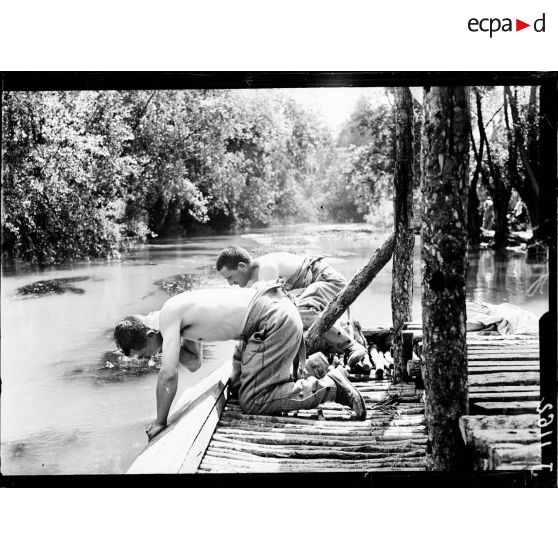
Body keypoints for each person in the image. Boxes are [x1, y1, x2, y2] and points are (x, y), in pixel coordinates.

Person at [114, 284, 367, 441]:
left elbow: (168, 375)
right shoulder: (174, 319)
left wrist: (160, 422)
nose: (148, 359)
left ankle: (330, 386)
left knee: (253, 400)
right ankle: (298, 377)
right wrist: (167, 346)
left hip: (270, 320)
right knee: (237, 386)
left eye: (143, 354)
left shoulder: (168, 314)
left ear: (148, 335)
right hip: (270, 314)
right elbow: (194, 363)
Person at [216, 246, 371, 368]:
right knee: (293, 320)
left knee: (296, 313)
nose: (230, 283)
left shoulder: (266, 269)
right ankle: (343, 332)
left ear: (242, 266)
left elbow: (271, 309)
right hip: (314, 290)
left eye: (230, 277)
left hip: (328, 281)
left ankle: (351, 346)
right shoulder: (256, 277)